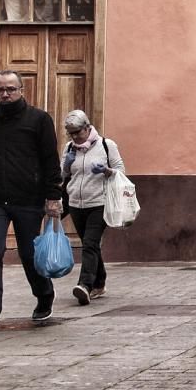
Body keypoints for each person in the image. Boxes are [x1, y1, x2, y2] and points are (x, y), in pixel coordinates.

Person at [0, 70, 63, 334]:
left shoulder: (39, 119)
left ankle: (44, 295)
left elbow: (50, 160)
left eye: (10, 89)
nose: (5, 94)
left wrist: (53, 196)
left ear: (21, 90)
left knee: (29, 254)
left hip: (29, 199)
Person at [61, 110, 125, 306]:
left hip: (100, 202)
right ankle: (100, 282)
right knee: (91, 245)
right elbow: (62, 174)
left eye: (77, 132)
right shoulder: (69, 147)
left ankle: (85, 285)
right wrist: (66, 165)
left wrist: (106, 171)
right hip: (76, 203)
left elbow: (120, 171)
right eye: (70, 133)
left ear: (87, 128)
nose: (74, 137)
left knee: (89, 243)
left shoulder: (107, 145)